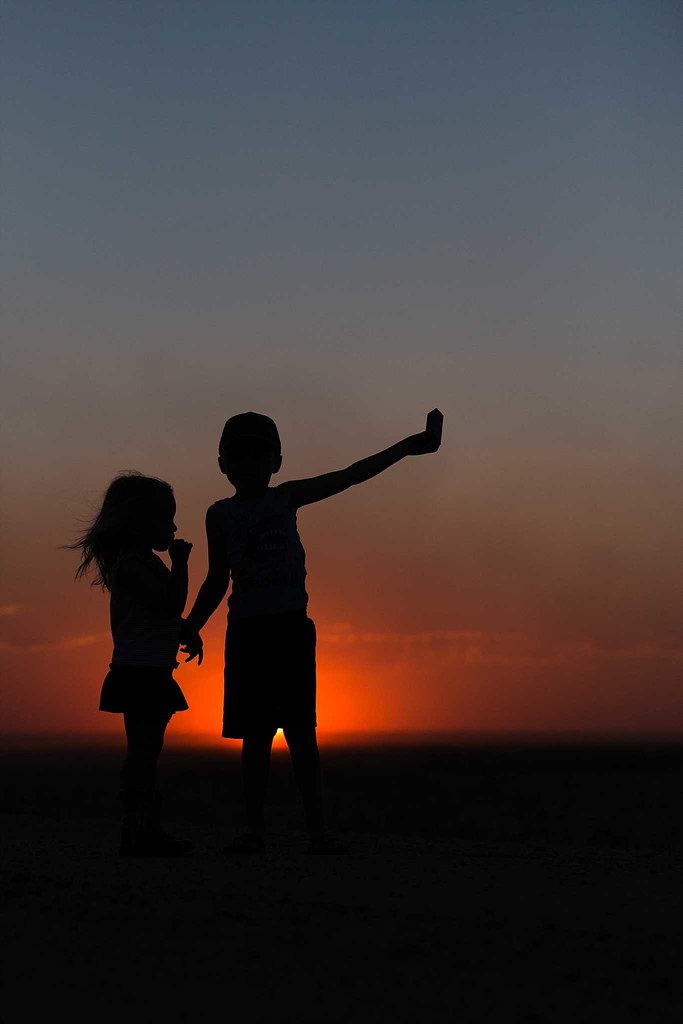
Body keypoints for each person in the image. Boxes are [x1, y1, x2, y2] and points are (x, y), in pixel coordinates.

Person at [180, 412, 441, 854]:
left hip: (290, 630)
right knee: (256, 737)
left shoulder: (287, 498)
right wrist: (190, 625)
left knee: (302, 731)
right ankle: (254, 831)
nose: (247, 462)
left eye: (257, 453)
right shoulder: (218, 514)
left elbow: (351, 476)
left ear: (276, 461)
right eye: (237, 453)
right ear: (222, 463)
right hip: (246, 633)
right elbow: (216, 578)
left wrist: (406, 447)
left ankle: (317, 831)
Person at [68, 472, 195, 856]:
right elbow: (172, 603)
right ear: (137, 522)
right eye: (165, 519)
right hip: (140, 674)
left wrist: (186, 632)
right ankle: (140, 829)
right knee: (143, 751)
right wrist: (182, 563)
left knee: (147, 749)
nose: (173, 528)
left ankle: (143, 827)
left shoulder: (144, 564)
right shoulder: (133, 566)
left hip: (151, 671)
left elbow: (162, 614)